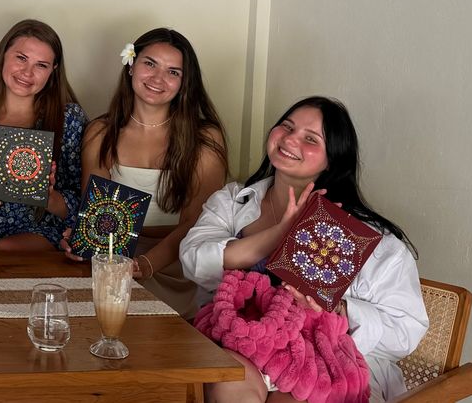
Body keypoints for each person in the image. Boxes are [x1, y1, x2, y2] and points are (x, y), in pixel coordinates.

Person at [180, 96, 427, 403]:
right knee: (229, 381)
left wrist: (337, 310)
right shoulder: (232, 202)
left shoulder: (370, 240)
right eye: (287, 126)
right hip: (241, 346)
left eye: (311, 139)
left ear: (333, 159)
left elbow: (406, 332)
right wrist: (279, 232)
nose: (290, 139)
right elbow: (193, 261)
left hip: (321, 363)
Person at [65, 27, 228, 316]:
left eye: (173, 72)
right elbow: (97, 213)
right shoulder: (100, 132)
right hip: (115, 260)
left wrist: (147, 264)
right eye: (150, 64)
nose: (157, 78)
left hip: (178, 261)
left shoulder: (205, 138)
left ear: (184, 83)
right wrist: (82, 242)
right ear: (131, 65)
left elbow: (198, 221)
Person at [0, 19, 85, 250]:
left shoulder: (69, 119)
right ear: (3, 55)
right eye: (21, 58)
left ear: (53, 70)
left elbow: (84, 204)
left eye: (41, 65)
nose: (27, 72)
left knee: (4, 248)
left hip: (46, 235)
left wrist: (49, 197)